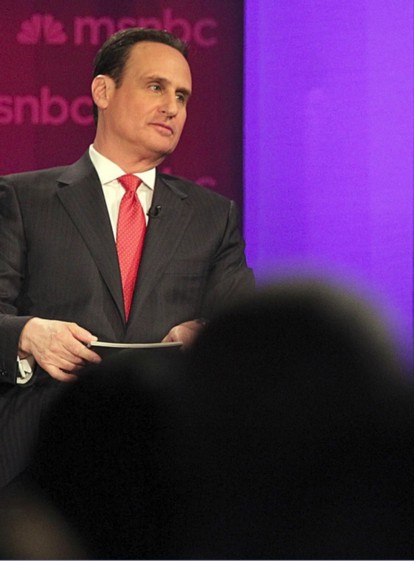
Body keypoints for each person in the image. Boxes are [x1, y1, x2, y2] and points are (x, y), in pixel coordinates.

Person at [0, 27, 254, 487]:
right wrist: (29, 335)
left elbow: (246, 330)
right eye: (156, 87)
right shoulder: (21, 198)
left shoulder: (213, 216)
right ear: (103, 90)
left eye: (182, 96)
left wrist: (211, 338)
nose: (172, 107)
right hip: (40, 462)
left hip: (168, 464)